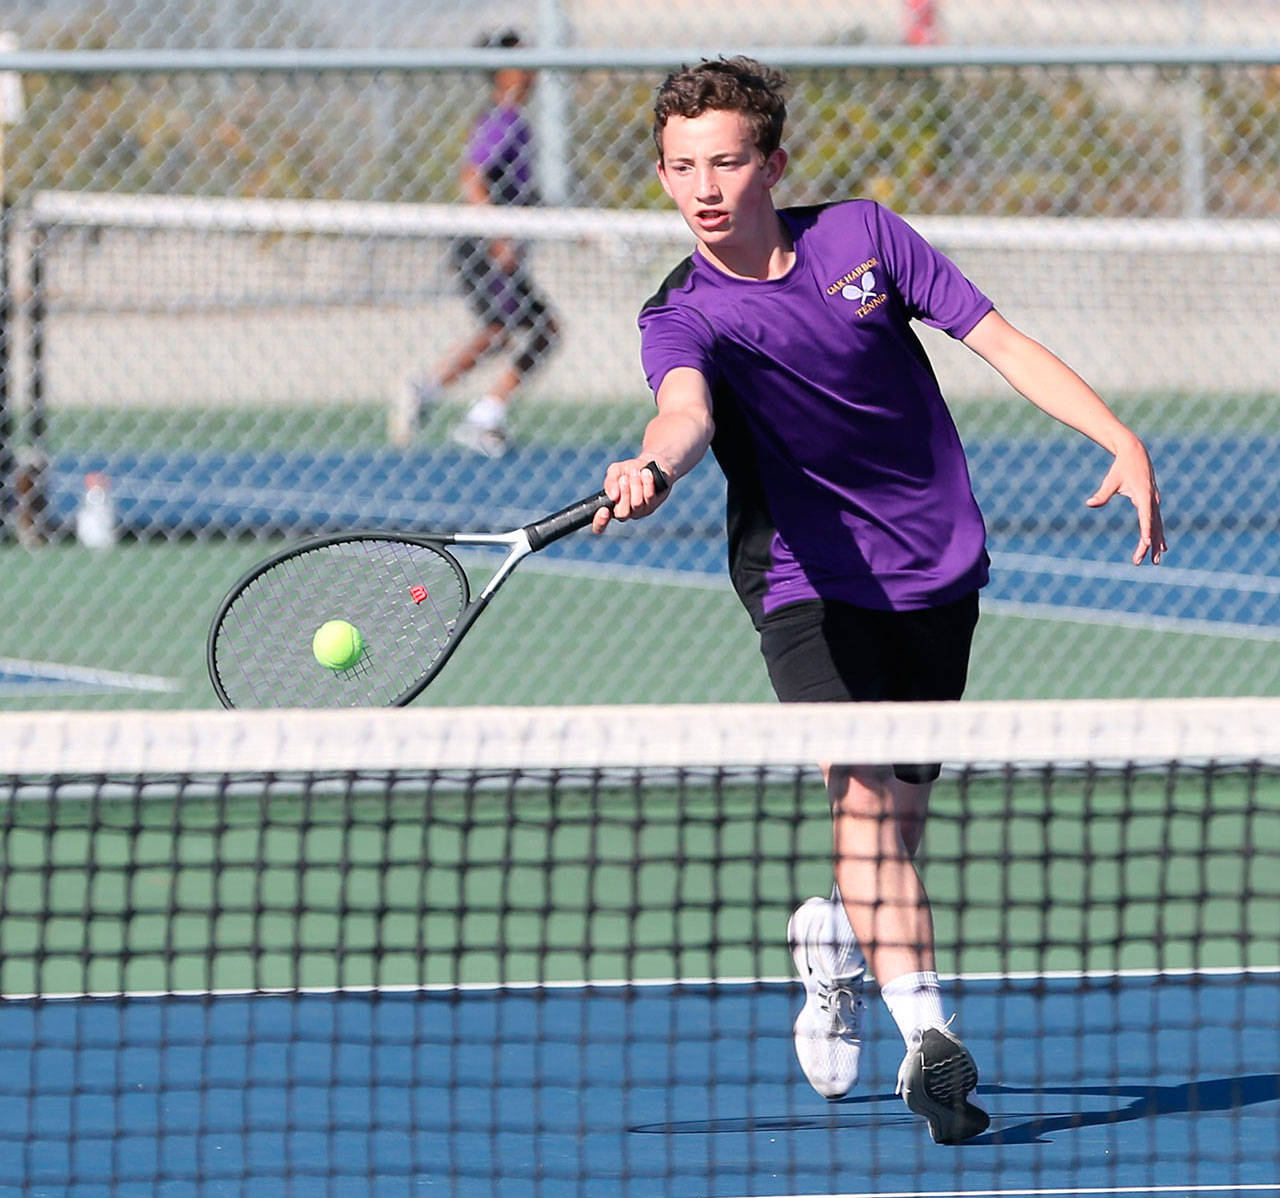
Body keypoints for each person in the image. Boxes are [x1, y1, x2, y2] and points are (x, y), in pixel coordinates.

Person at [591, 57, 1165, 1144]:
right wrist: (654, 463)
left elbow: (997, 339)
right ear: (662, 174)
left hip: (936, 567)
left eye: (725, 162)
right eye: (680, 167)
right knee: (859, 797)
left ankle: (832, 943)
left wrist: (1117, 435)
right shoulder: (681, 312)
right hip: (803, 581)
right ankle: (929, 1041)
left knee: (897, 819)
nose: (703, 188)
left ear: (773, 164)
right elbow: (683, 409)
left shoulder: (862, 237)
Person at [389, 29, 560, 457]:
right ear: (503, 72)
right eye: (522, 61)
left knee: (541, 331)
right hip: (483, 245)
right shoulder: (502, 120)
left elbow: (524, 193)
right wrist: (496, 233)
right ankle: (441, 397)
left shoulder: (518, 123)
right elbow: (472, 176)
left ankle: (477, 412)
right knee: (506, 330)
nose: (532, 70)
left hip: (497, 243)